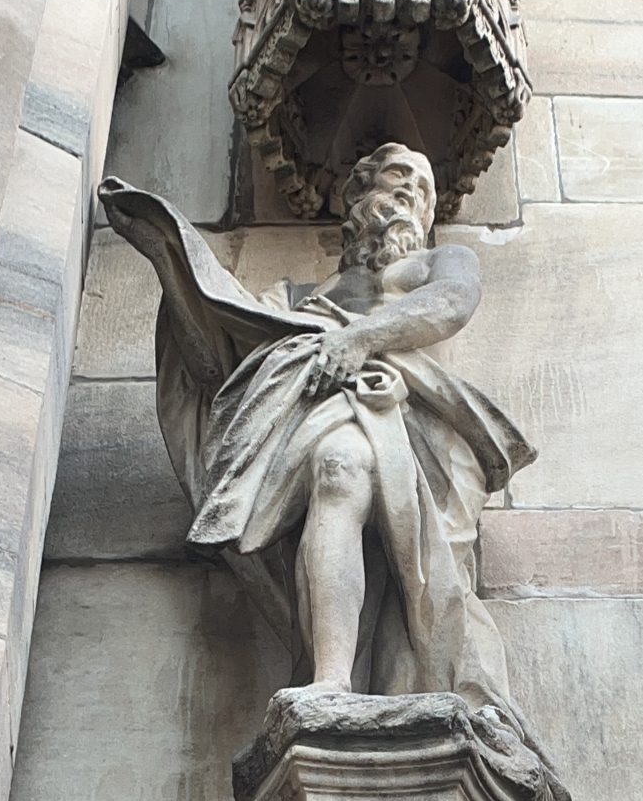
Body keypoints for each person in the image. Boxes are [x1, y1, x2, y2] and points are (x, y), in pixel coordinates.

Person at [99, 143, 535, 713]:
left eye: (424, 190)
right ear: (359, 191)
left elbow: (453, 303)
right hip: (332, 418)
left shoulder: (439, 262)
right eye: (398, 177)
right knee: (339, 469)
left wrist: (357, 340)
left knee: (433, 585)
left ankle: (453, 693)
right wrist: (168, 255)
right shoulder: (295, 299)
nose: (411, 192)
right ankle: (331, 679)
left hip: (423, 426)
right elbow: (218, 358)